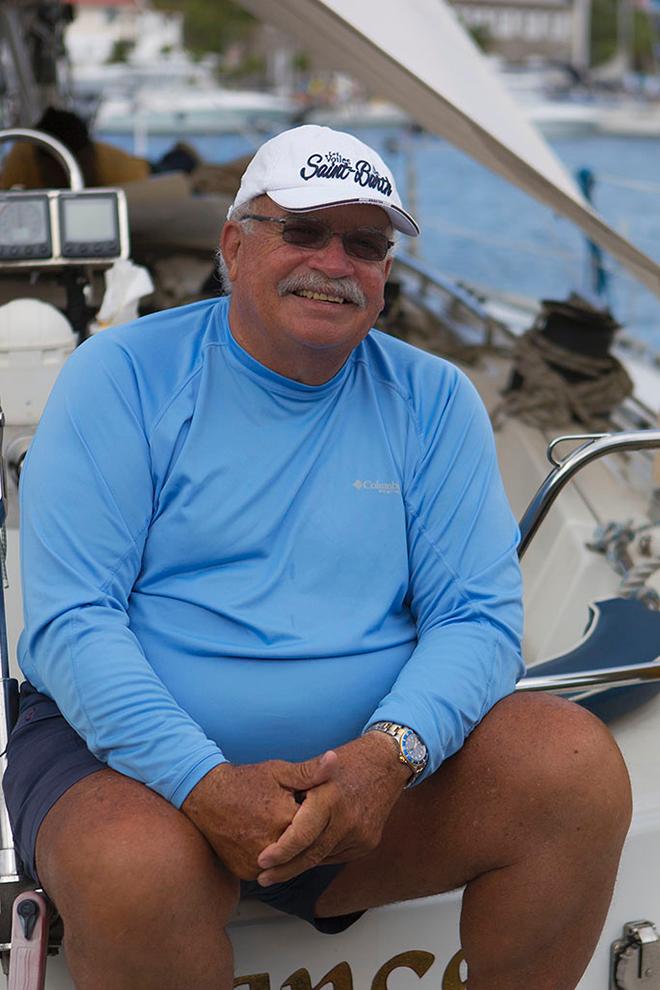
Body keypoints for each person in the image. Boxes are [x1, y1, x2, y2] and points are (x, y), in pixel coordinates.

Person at [3, 125, 631, 990]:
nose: (334, 262)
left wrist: (389, 756)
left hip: (364, 778)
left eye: (365, 243)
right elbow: (74, 623)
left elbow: (478, 621)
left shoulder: (435, 398)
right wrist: (202, 782)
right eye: (302, 231)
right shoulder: (122, 374)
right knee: (134, 872)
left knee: (575, 770)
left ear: (386, 274)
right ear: (233, 244)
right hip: (123, 765)